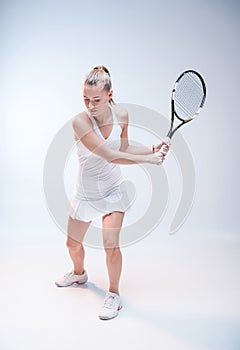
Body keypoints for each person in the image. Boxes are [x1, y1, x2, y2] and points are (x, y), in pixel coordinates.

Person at [55, 65, 170, 320]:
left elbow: (124, 147)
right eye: (85, 99)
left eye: (96, 99)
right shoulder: (80, 121)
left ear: (110, 94)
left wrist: (151, 148)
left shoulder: (122, 115)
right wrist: (151, 161)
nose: (90, 105)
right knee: (72, 244)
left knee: (111, 245)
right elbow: (110, 155)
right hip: (84, 193)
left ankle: (114, 295)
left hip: (112, 191)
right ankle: (79, 274)